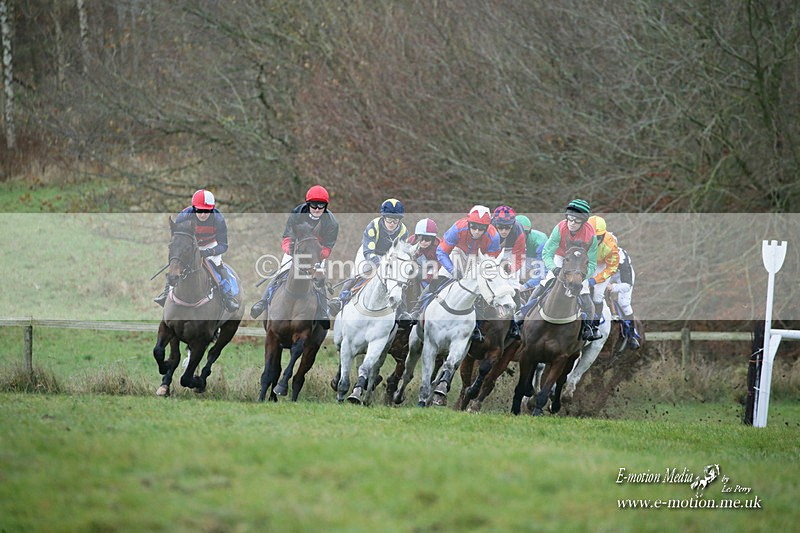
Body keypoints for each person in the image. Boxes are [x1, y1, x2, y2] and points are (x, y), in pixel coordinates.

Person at [249, 185, 339, 321]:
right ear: (308, 204)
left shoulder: (331, 222)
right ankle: (263, 301)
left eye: (321, 205)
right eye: (314, 205)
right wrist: (289, 248)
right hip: (296, 250)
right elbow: (287, 236)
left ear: (325, 206)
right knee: (282, 271)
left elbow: (328, 246)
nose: (317, 209)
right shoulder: (297, 213)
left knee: (319, 279)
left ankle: (322, 311)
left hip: (316, 254)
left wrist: (320, 255)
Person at [413, 205, 501, 342]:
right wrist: (452, 270)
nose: (477, 231)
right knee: (437, 280)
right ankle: (416, 310)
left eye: (481, 228)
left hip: (479, 259)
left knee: (481, 290)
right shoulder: (458, 227)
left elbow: (490, 262)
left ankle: (477, 326)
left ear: (487, 227)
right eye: (474, 227)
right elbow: (441, 252)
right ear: (468, 223)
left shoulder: (494, 236)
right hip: (457, 252)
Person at [518, 199, 601, 342]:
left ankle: (590, 327)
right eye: (569, 219)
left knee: (585, 292)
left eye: (576, 221)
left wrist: (581, 276)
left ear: (583, 222)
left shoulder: (591, 236)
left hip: (580, 264)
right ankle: (522, 314)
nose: (571, 223)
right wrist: (554, 269)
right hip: (561, 257)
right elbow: (547, 253)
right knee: (545, 282)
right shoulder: (560, 228)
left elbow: (592, 263)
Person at [154, 189, 239, 312]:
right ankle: (166, 292)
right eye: (199, 210)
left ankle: (228, 297)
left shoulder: (218, 219)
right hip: (189, 245)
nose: (203, 214)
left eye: (206, 210)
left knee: (218, 265)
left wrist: (208, 252)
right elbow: (178, 239)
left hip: (210, 245)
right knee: (176, 263)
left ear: (212, 208)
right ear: (194, 208)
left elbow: (223, 246)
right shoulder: (184, 216)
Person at [328, 198, 409, 315]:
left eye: (395, 221)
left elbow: (400, 253)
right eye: (389, 219)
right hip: (369, 252)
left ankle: (402, 312)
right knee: (360, 273)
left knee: (397, 279)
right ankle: (341, 300)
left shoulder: (403, 231)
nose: (392, 223)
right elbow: (368, 251)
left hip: (389, 257)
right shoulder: (373, 226)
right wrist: (377, 263)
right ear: (383, 217)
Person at [587, 215, 620, 333]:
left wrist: (595, 280)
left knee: (597, 294)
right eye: (592, 237)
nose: (595, 241)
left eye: (598, 237)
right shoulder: (581, 237)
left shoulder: (611, 246)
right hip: (586, 262)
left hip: (603, 266)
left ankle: (594, 325)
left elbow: (612, 267)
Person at [607, 246, 641, 349]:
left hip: (622, 276)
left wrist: (612, 287)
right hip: (606, 273)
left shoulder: (622, 259)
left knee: (624, 303)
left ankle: (631, 335)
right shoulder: (594, 251)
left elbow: (626, 285)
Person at [491, 206, 527, 276]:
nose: (504, 231)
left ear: (513, 225)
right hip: (492, 250)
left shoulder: (519, 232)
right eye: (500, 227)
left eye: (507, 227)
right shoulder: (489, 227)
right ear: (495, 224)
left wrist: (511, 269)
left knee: (513, 277)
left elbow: (519, 258)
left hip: (511, 250)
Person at [516, 214, 549, 289]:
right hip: (524, 256)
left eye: (523, 234)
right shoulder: (507, 235)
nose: (519, 237)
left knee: (538, 284)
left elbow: (542, 272)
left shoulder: (540, 241)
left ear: (528, 233)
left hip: (538, 256)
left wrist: (526, 286)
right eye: (516, 233)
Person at [407, 218, 441, 287]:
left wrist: (424, 276)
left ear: (433, 239)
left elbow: (437, 271)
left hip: (432, 268)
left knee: (427, 284)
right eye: (421, 238)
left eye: (427, 239)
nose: (423, 242)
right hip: (415, 266)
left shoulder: (438, 248)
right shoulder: (410, 242)